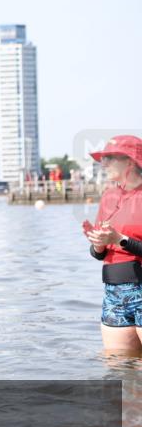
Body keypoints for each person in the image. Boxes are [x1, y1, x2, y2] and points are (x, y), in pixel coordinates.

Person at [82, 135, 142, 355]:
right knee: (119, 367)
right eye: (102, 158)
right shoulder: (109, 197)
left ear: (130, 161)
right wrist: (98, 245)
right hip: (114, 293)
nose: (103, 163)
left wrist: (119, 240)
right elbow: (99, 253)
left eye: (109, 158)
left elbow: (118, 240)